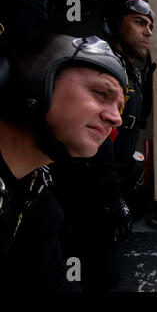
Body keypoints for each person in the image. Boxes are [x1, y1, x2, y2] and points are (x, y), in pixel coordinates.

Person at [0, 34, 128, 291]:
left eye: (120, 107)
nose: (117, 119)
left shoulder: (39, 207)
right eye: (101, 93)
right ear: (37, 80)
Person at [52, 0, 156, 291]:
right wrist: (110, 202)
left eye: (150, 25)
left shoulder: (131, 71)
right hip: (89, 195)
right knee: (99, 275)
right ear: (113, 24)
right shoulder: (104, 68)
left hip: (110, 187)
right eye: (139, 23)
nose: (148, 31)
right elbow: (99, 146)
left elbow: (132, 122)